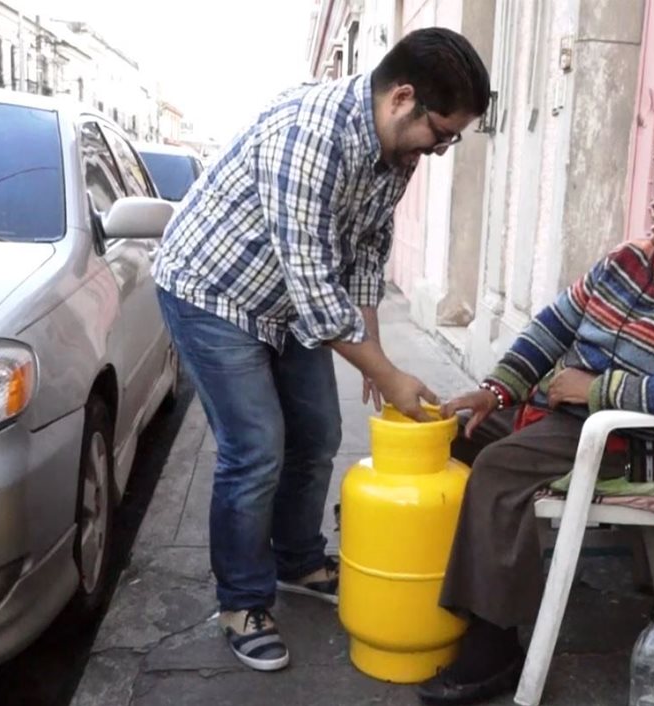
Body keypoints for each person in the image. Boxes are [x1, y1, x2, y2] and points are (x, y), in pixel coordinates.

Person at [150, 28, 490, 672]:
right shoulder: (307, 136)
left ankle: (297, 560)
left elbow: (364, 252)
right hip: (212, 291)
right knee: (255, 449)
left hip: (284, 303)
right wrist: (384, 372)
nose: (440, 150)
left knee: (319, 432)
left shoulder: (396, 154)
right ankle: (242, 602)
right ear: (403, 99)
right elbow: (312, 280)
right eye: (440, 133)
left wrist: (375, 351)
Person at [417, 133, 654, 705]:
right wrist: (496, 390)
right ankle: (447, 594)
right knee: (451, 435)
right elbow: (554, 326)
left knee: (499, 468)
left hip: (637, 443)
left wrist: (600, 390)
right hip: (565, 419)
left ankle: (494, 645)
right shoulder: (629, 261)